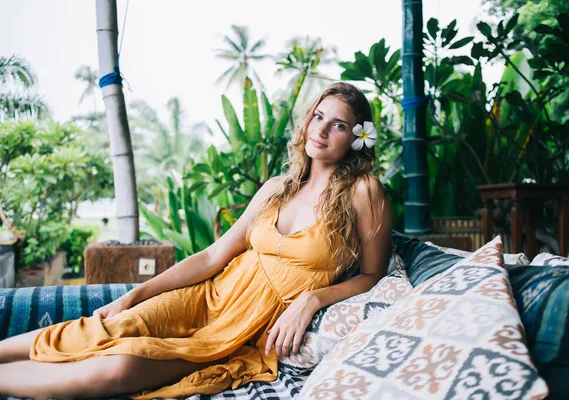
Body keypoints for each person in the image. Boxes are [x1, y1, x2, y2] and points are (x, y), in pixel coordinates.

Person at [0, 82, 392, 399]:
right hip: (206, 296)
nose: (321, 130)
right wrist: (135, 295)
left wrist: (313, 298)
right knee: (105, 328)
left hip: (240, 327)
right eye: (318, 117)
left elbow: (373, 275)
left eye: (338, 125)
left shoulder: (364, 192)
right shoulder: (277, 188)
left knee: (119, 366)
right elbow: (213, 256)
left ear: (358, 137)